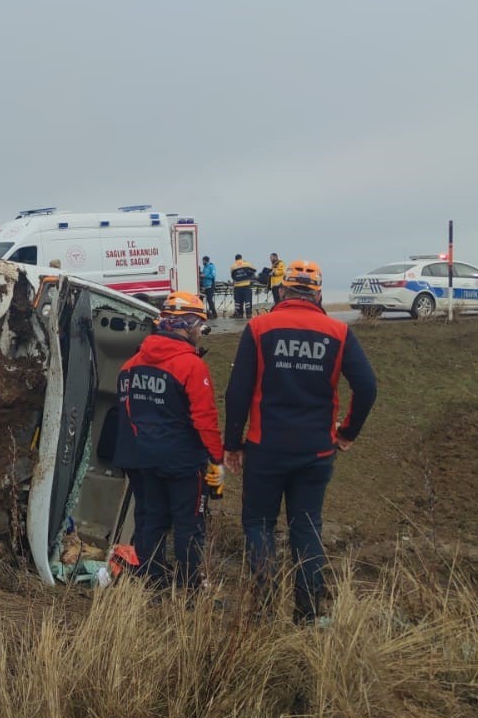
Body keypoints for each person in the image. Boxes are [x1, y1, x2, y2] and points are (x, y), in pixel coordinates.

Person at [224, 260, 377, 623]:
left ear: (281, 291)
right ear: (319, 294)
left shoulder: (259, 327)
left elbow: (237, 392)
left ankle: (262, 609)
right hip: (316, 451)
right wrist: (346, 434)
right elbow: (367, 387)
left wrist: (233, 443)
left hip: (266, 448)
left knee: (259, 524)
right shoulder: (338, 332)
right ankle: (307, 616)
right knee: (306, 528)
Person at [115, 291, 224, 588]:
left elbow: (125, 414)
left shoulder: (130, 366)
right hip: (183, 462)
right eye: (200, 327)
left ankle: (153, 585)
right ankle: (189, 592)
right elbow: (205, 419)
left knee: (152, 521)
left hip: (144, 459)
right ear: (189, 326)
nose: (201, 334)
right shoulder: (191, 366)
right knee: (189, 525)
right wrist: (217, 459)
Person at [229, 253, 257, 319]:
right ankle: (248, 314)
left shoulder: (233, 266)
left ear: (235, 259)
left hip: (237, 286)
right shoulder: (247, 264)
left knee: (238, 301)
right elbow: (254, 270)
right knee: (248, 300)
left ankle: (239, 314)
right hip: (246, 285)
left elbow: (232, 276)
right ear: (241, 258)